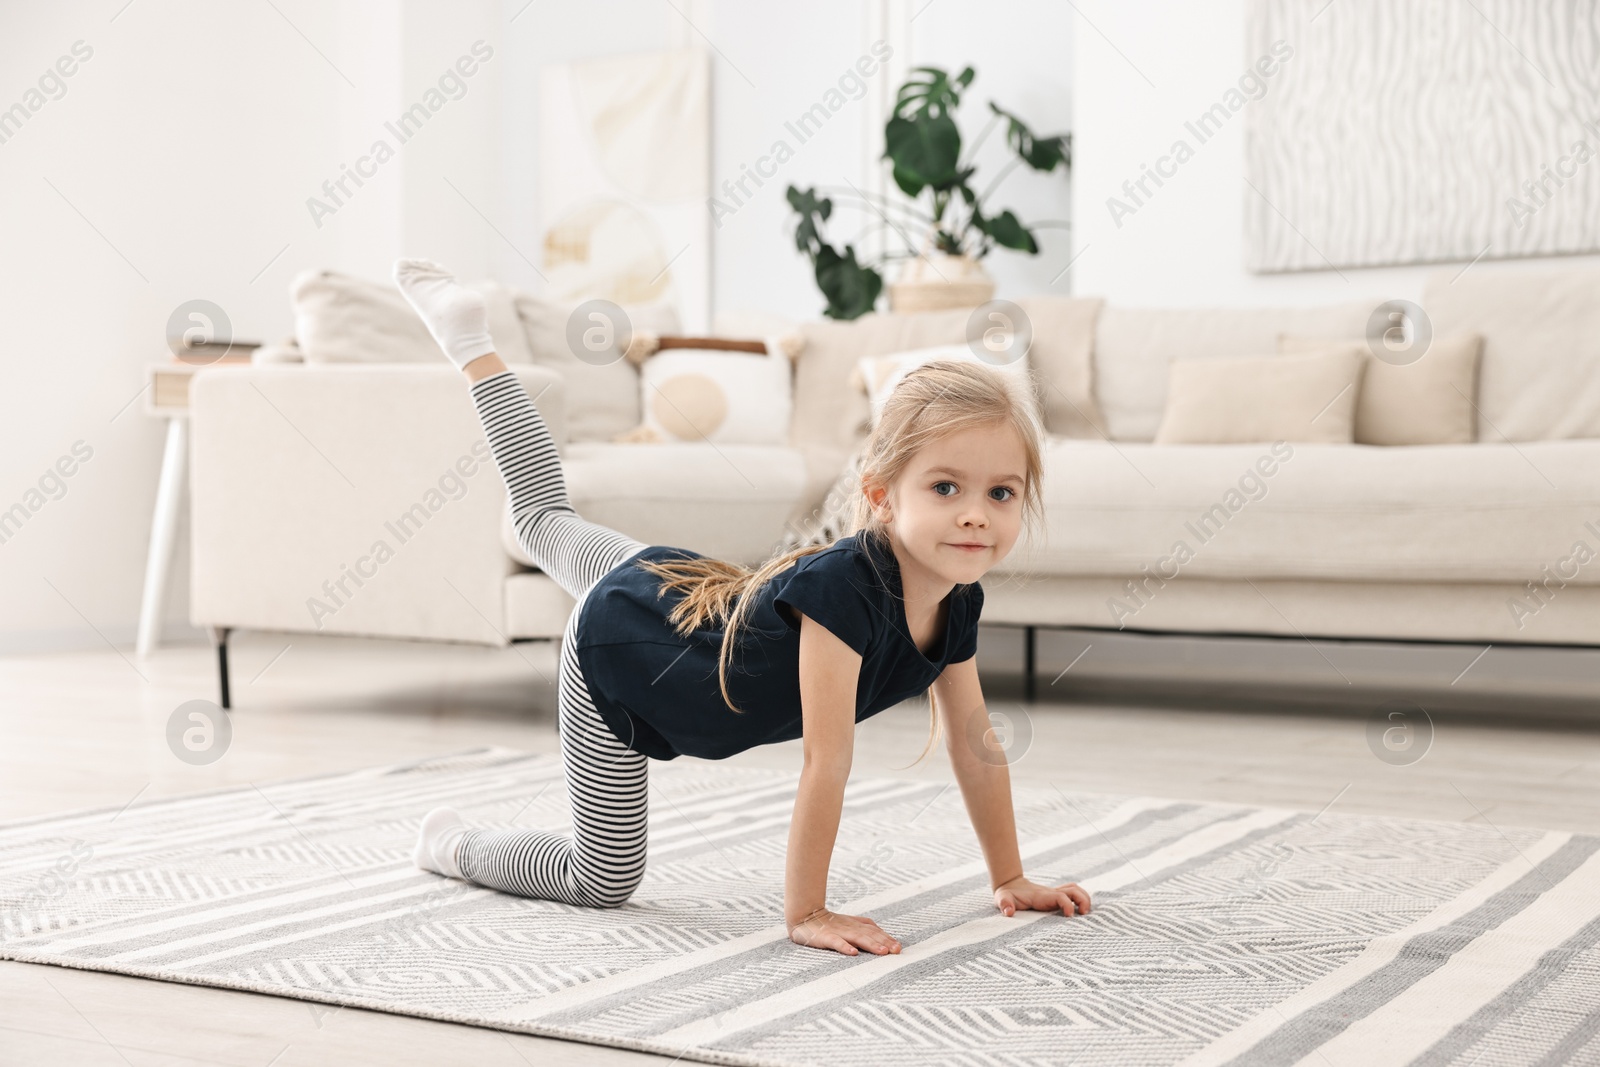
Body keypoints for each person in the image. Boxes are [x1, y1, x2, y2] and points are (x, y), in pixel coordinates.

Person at [393, 258, 1092, 958]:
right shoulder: (847, 589)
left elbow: (977, 744)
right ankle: (452, 845)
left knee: (543, 516)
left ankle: (467, 341)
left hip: (674, 584)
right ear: (881, 494)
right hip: (619, 653)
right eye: (946, 487)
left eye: (1001, 493)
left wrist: (1012, 875)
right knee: (599, 876)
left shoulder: (956, 599)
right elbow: (826, 761)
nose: (976, 515)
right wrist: (808, 911)